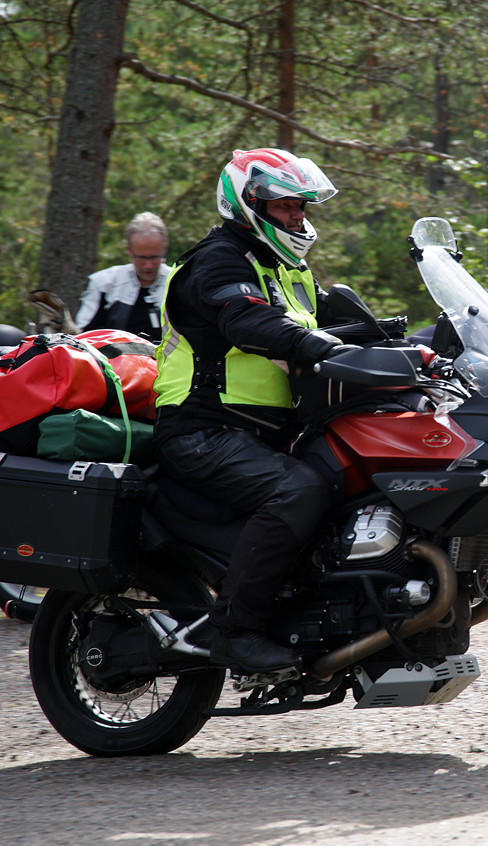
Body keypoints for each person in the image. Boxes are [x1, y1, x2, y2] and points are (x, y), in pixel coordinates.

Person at [152, 148, 359, 676]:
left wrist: (418, 345)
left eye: (301, 207)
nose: (296, 218)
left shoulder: (288, 270)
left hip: (263, 433)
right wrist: (320, 346)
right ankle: (234, 631)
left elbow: (337, 327)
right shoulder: (218, 260)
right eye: (285, 206)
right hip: (201, 430)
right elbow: (246, 321)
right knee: (299, 490)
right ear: (249, 205)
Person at [75, 212, 171, 341]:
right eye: (141, 258)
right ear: (129, 250)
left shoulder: (179, 283)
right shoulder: (104, 283)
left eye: (154, 257)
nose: (148, 265)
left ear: (164, 249)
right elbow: (82, 335)